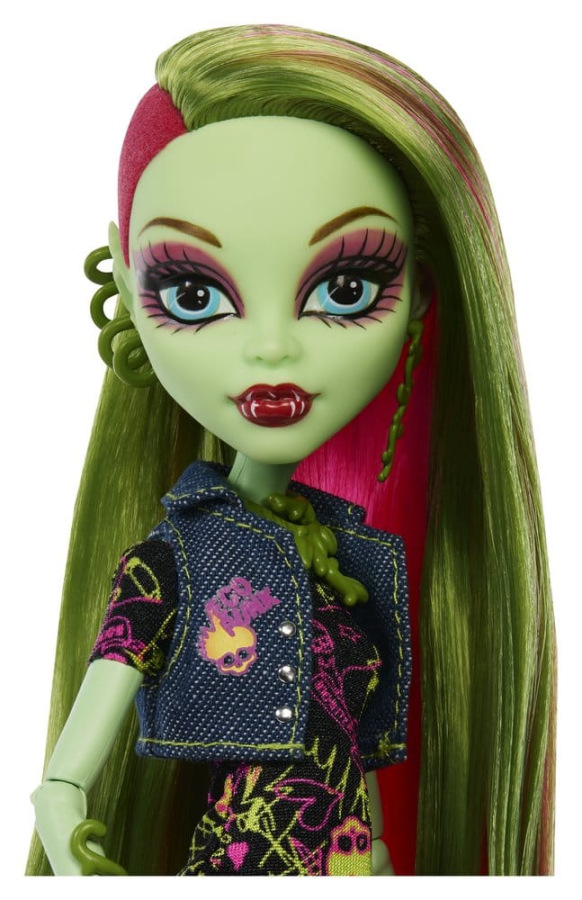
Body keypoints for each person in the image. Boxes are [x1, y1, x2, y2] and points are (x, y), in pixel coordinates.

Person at [27, 24, 555, 876]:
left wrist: (380, 857)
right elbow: (65, 776)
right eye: (193, 293)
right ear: (125, 286)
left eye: (346, 288)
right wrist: (69, 835)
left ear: (421, 293)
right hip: (239, 862)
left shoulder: (353, 563)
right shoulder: (172, 563)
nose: (272, 350)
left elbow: (359, 750)